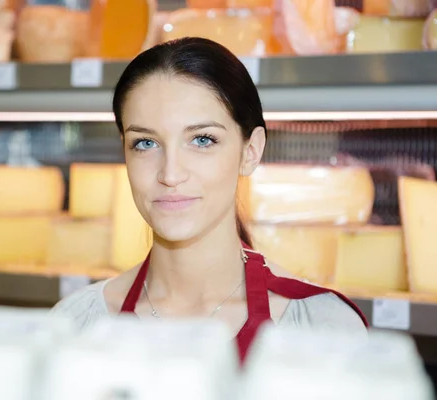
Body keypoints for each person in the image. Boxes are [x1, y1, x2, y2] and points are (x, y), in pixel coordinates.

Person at [51, 37, 368, 360]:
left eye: (202, 140)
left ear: (251, 151)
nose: (170, 174)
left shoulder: (324, 329)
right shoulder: (76, 324)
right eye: (145, 143)